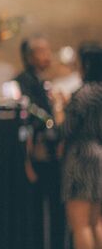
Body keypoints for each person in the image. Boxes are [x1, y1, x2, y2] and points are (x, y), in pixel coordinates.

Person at [16, 35, 66, 249]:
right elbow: (26, 123)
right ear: (29, 57)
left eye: (48, 50)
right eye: (41, 51)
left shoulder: (43, 82)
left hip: (50, 155)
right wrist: (26, 159)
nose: (48, 56)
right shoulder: (23, 83)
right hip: (36, 156)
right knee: (35, 212)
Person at [61, 42, 102, 249]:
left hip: (81, 157)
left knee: (81, 225)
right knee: (97, 222)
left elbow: (67, 129)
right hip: (99, 155)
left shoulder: (82, 94)